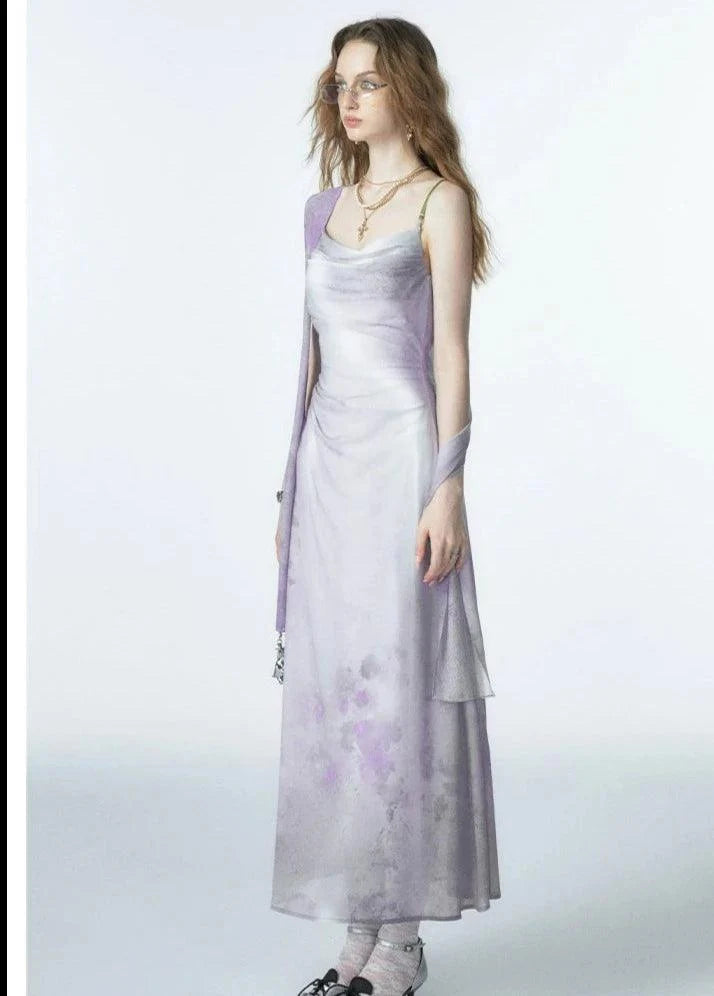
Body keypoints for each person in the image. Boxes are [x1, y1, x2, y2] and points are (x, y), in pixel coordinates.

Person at [271, 17, 501, 996]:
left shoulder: (441, 201)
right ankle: (357, 932)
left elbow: (449, 351)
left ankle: (400, 941)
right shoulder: (321, 209)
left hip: (403, 463)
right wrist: (288, 492)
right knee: (340, 691)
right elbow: (311, 357)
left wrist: (449, 483)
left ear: (408, 88)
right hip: (327, 471)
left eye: (367, 80)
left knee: (399, 680)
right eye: (340, 84)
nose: (349, 98)